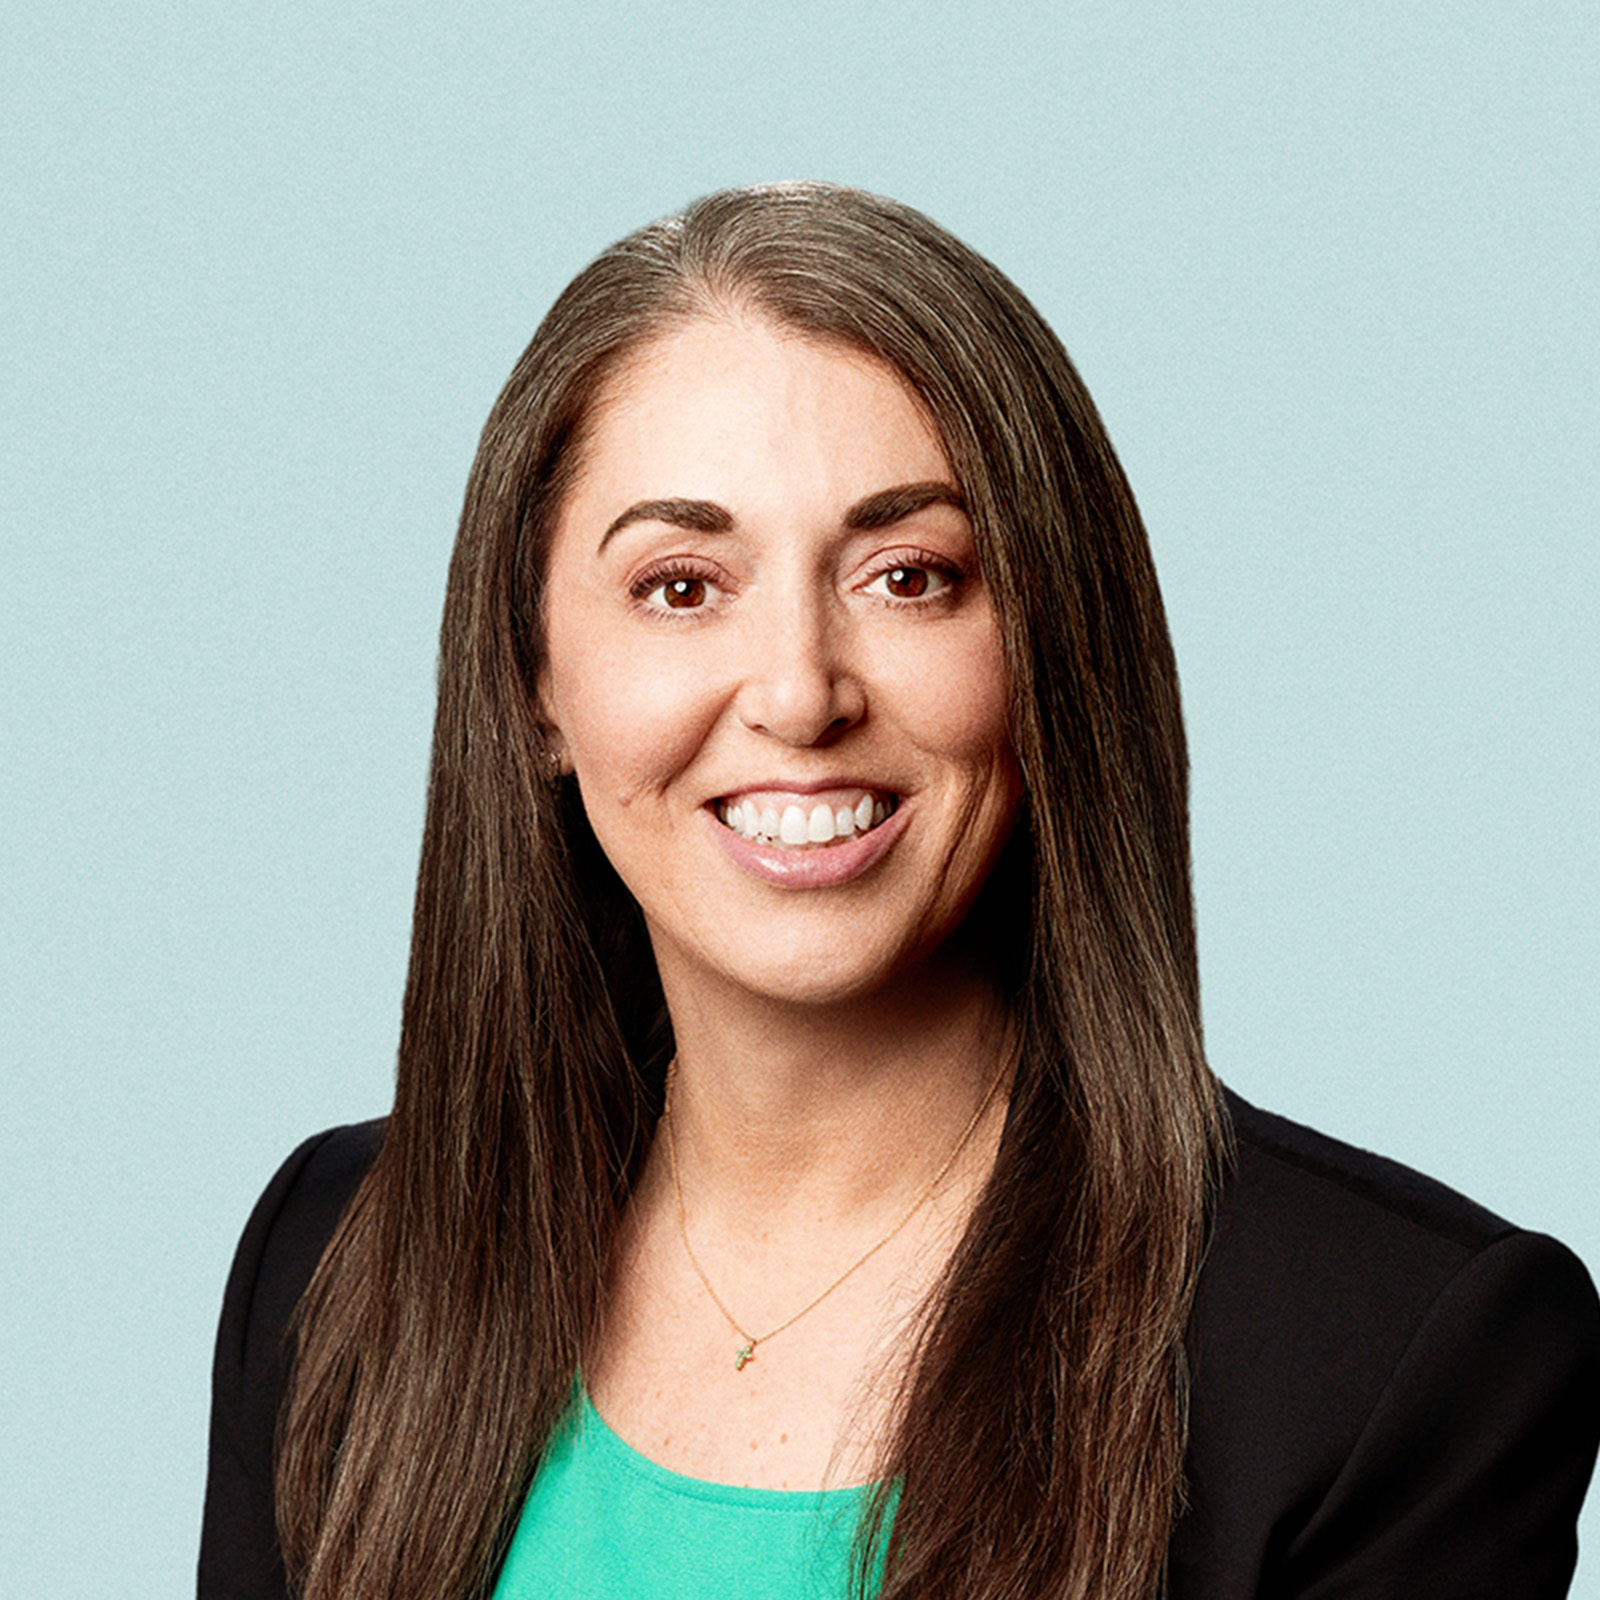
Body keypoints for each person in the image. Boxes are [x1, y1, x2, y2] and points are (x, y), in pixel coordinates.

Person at [199, 182, 1600, 1600]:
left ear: (1052, 646)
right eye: (683, 587)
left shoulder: (1390, 1358)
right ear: (534, 684)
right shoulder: (339, 1261)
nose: (801, 692)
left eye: (910, 576)